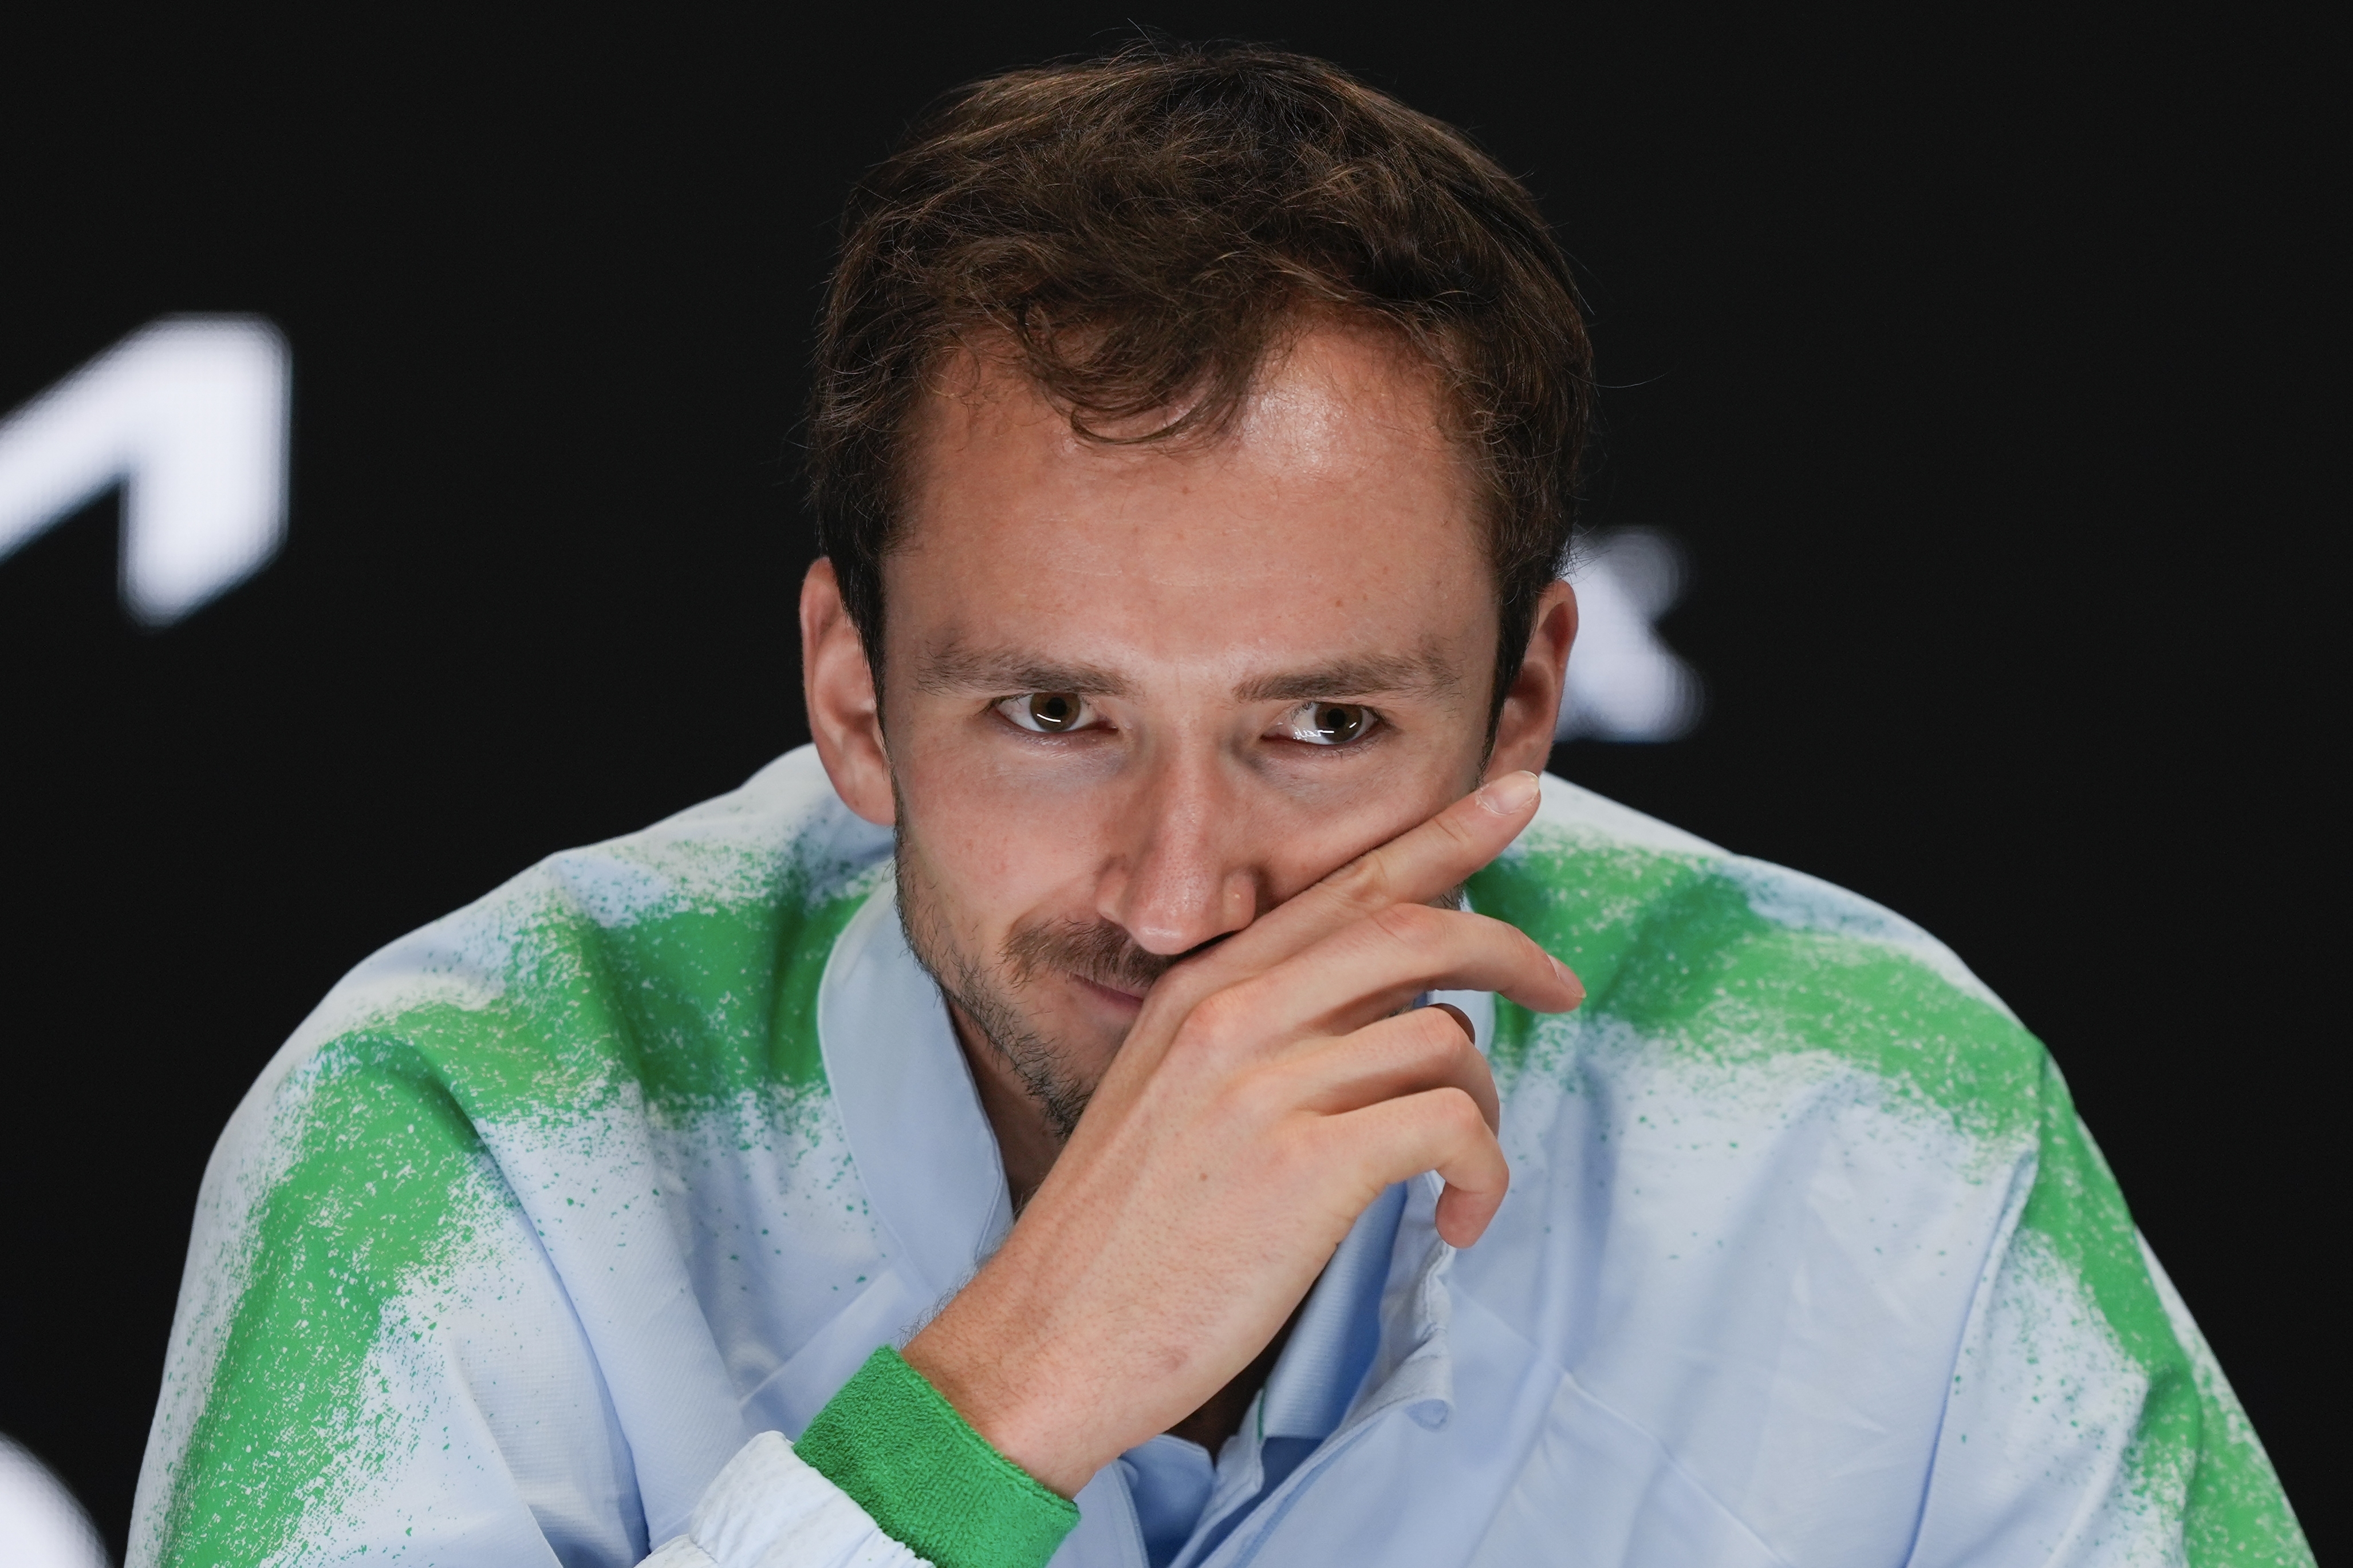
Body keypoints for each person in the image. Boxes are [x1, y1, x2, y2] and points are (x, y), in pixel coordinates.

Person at [129, 43, 2308, 1568]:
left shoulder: (1874, 1120)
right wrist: (1010, 1394)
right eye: (1053, 712)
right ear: (855, 700)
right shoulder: (462, 1135)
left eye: (1323, 725)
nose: (1184, 897)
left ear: (1523, 708)